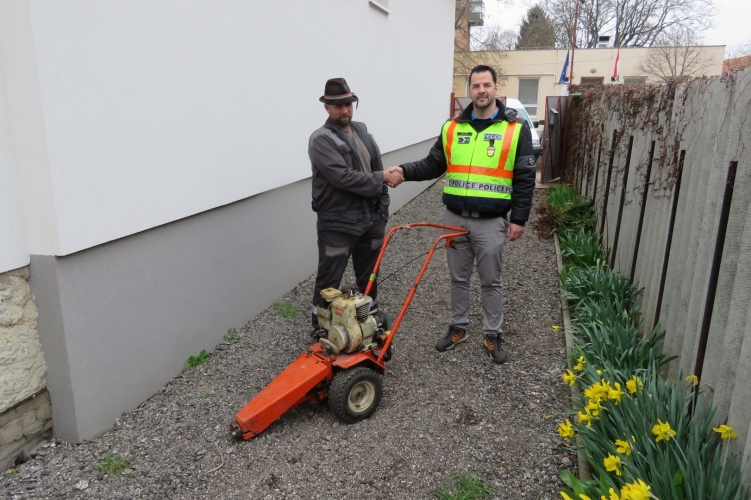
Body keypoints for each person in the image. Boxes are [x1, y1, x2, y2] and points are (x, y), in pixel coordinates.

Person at [386, 65, 535, 364]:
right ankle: (459, 327)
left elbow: (525, 177)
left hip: (491, 222)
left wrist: (518, 219)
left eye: (487, 85)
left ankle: (493, 333)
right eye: (476, 85)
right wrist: (403, 170)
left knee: (491, 280)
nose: (482, 90)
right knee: (458, 278)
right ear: (470, 90)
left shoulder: (515, 129)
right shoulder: (452, 127)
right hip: (454, 219)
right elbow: (432, 165)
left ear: (495, 89)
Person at [308, 78, 404, 335]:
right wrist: (383, 177)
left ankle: (366, 320)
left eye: (348, 104)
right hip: (338, 223)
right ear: (327, 107)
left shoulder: (362, 131)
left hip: (371, 219)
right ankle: (321, 328)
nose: (345, 110)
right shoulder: (321, 140)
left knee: (369, 276)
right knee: (329, 280)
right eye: (338, 106)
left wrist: (382, 210)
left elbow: (375, 166)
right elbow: (343, 177)